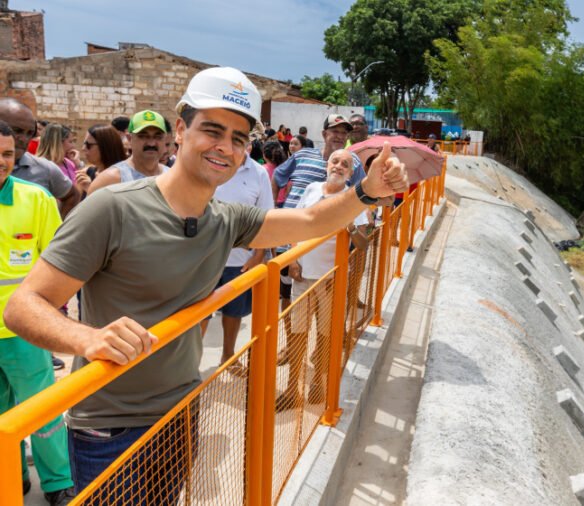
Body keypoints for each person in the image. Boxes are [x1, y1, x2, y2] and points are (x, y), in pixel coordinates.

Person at [4, 66, 407, 495]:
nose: (225, 147)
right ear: (180, 130)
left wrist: (368, 191)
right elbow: (23, 306)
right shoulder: (112, 209)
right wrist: (87, 338)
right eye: (212, 131)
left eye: (238, 138)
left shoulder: (225, 220)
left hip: (181, 413)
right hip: (111, 430)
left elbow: (310, 221)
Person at [0, 120, 75, 505]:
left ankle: (58, 482)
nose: (1, 161)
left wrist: (50, 320)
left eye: (7, 154)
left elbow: (59, 263)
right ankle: (10, 478)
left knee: (42, 411)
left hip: (23, 333)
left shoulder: (36, 200)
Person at [280, 149, 370, 409]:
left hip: (331, 280)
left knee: (324, 334)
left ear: (350, 173)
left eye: (345, 164)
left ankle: (318, 381)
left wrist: (350, 226)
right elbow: (295, 224)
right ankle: (292, 389)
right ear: (327, 165)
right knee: (298, 333)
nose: (339, 166)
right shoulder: (311, 189)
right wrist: (293, 260)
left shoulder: (353, 199)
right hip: (302, 276)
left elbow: (363, 244)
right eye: (335, 161)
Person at [200, 143, 273, 368]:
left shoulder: (258, 173)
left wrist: (258, 255)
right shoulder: (209, 163)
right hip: (205, 258)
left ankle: (228, 357)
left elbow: (266, 215)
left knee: (234, 311)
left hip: (241, 261)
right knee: (199, 314)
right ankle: (191, 365)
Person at [0, 99, 80, 218]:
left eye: (30, 133)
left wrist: (58, 226)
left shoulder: (45, 169)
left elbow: (72, 196)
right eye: (17, 131)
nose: (24, 139)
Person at [87, 110, 169, 194]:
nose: (151, 143)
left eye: (158, 136)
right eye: (143, 136)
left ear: (165, 139)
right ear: (129, 138)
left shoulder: (172, 177)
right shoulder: (110, 180)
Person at [75, 124, 127, 195]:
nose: (83, 148)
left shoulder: (122, 178)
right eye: (84, 143)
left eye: (88, 145)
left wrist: (90, 189)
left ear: (105, 146)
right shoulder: (87, 173)